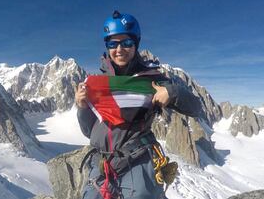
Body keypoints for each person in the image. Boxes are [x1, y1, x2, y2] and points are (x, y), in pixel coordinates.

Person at [75, 10, 202, 199]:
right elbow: (88, 131)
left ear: (136, 44)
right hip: (102, 163)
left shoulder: (150, 80)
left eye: (126, 43)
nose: (119, 49)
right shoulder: (98, 83)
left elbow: (196, 108)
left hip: (138, 160)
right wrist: (83, 107)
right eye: (113, 43)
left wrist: (173, 92)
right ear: (107, 46)